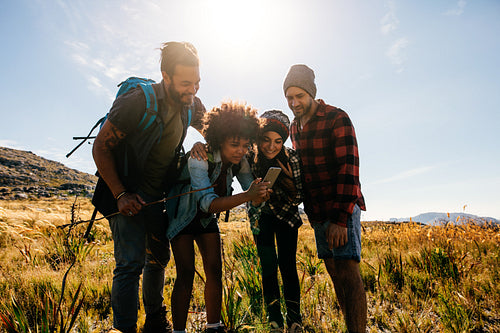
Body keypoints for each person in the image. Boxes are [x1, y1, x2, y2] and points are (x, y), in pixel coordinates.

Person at [92, 41, 205, 333]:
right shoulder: (136, 102)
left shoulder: (190, 103)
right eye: (184, 83)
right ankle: (125, 328)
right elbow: (101, 148)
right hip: (122, 194)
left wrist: (201, 143)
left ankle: (154, 321)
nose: (192, 90)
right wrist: (120, 194)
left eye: (196, 83)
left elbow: (216, 131)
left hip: (156, 198)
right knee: (129, 263)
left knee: (157, 259)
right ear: (165, 76)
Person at [165, 101, 271, 333]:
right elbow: (208, 203)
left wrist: (259, 194)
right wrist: (248, 196)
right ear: (218, 138)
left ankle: (214, 327)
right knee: (185, 274)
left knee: (214, 270)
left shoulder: (240, 161)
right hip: (182, 218)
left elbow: (247, 187)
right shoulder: (199, 158)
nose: (240, 150)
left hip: (205, 219)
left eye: (245, 145)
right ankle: (179, 331)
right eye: (234, 144)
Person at [283, 64, 367, 333]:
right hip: (317, 211)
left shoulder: (336, 118)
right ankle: (350, 326)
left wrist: (340, 220)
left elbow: (349, 169)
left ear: (311, 93)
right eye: (289, 98)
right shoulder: (295, 128)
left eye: (299, 96)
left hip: (341, 208)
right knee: (333, 271)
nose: (294, 102)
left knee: (347, 272)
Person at [246, 110, 304, 332]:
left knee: (288, 266)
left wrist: (289, 182)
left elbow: (300, 198)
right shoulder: (250, 158)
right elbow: (246, 193)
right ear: (259, 139)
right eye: (266, 140)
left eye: (278, 141)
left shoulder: (293, 159)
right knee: (268, 267)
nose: (272, 146)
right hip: (262, 218)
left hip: (287, 217)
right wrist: (259, 199)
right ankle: (274, 320)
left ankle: (294, 320)